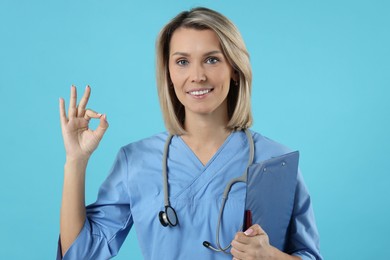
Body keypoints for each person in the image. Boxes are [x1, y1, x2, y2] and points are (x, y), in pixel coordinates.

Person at [57, 7, 322, 260]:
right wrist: (75, 162)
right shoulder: (135, 161)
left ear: (236, 70)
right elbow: (81, 254)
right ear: (168, 74)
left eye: (212, 59)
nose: (197, 76)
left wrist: (271, 256)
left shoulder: (276, 162)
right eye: (182, 62)